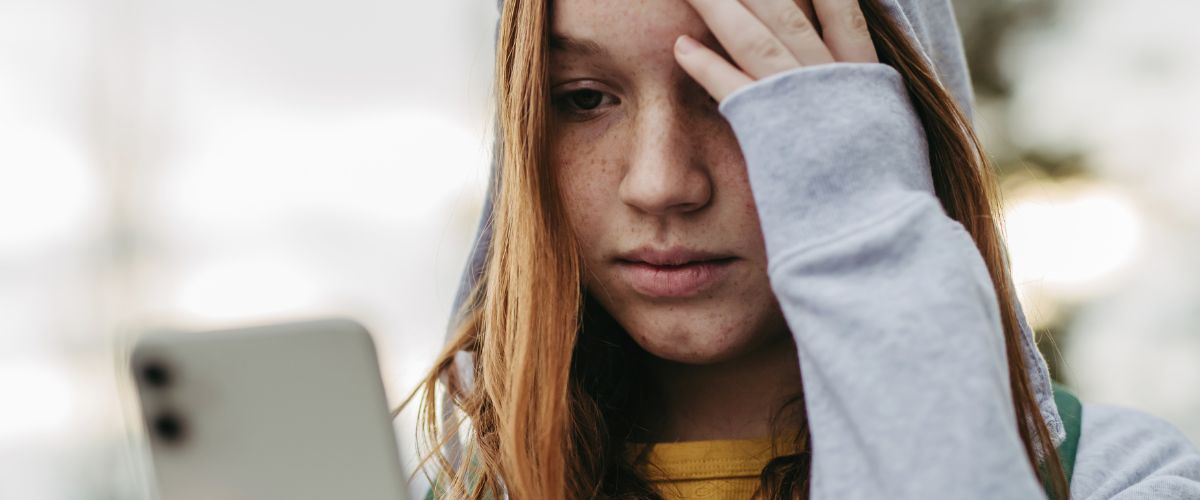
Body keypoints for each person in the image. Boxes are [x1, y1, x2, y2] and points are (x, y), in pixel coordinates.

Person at [405, 0, 1200, 498]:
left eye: (740, 90)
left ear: (885, 120)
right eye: (583, 99)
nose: (658, 183)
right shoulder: (452, 492)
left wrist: (858, 219)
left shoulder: (1119, 478)